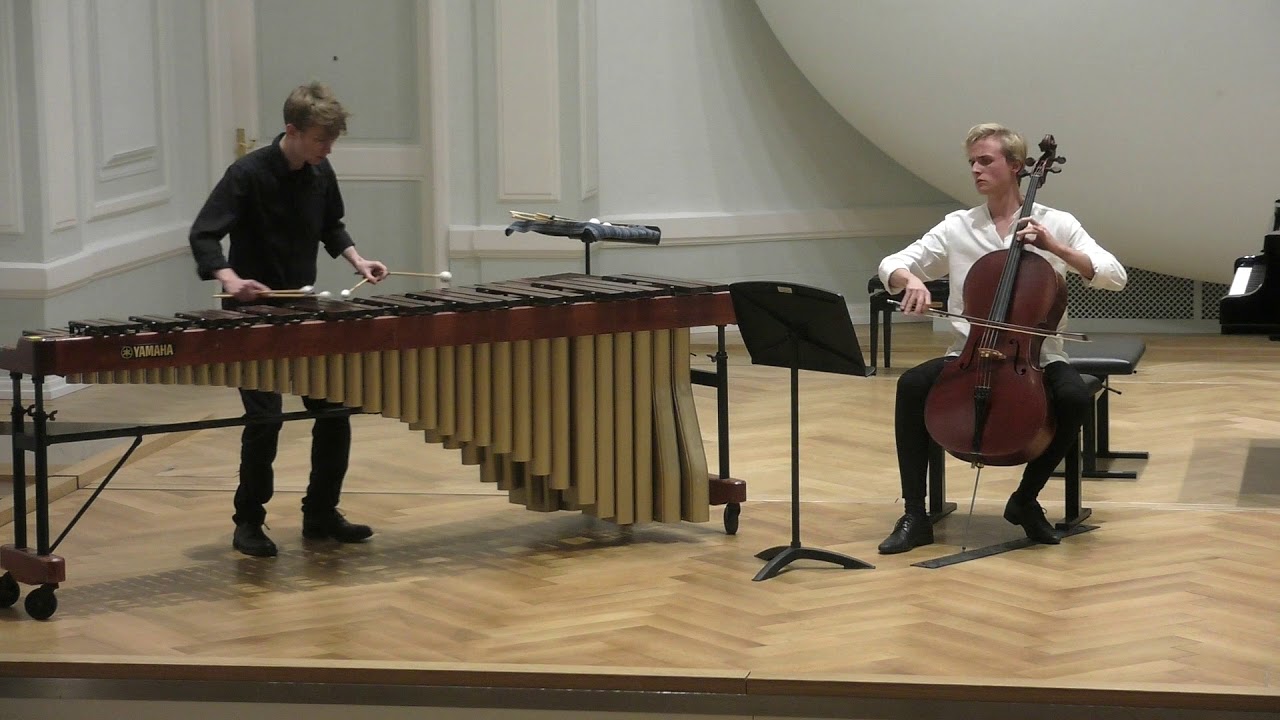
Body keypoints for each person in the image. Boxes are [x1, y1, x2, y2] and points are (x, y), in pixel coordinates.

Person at [875, 123, 1128, 554]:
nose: (975, 169)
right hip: (968, 354)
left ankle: (1025, 500)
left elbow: (1115, 276)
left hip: (1038, 357)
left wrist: (1058, 249)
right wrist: (909, 280)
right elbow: (894, 262)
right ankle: (915, 514)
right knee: (911, 385)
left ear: (1016, 166)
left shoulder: (1057, 223)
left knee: (1073, 399)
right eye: (972, 162)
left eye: (985, 160)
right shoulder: (958, 226)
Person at [189, 82, 387, 557]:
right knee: (265, 419)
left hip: (303, 309)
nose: (328, 148)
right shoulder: (247, 174)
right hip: (252, 314)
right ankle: (249, 522)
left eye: (332, 141)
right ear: (292, 130)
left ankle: (320, 514)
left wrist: (357, 260)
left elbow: (330, 225)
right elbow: (204, 235)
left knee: (335, 410)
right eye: (321, 140)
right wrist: (231, 279)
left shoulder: (320, 171)